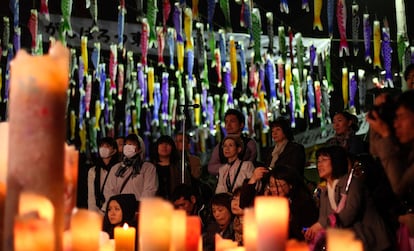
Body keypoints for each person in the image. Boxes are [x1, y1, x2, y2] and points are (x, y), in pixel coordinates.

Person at [304, 146, 391, 251]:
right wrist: (312, 230)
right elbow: (323, 219)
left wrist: (323, 225)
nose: (319, 165)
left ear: (336, 161)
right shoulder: (324, 192)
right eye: (318, 161)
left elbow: (347, 216)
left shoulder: (353, 184)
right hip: (352, 243)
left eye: (324, 160)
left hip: (372, 242)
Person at [367, 90, 414, 238]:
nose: (396, 124)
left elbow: (399, 186)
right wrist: (376, 115)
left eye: (401, 117)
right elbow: (376, 150)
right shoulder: (407, 149)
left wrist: (387, 135)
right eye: (394, 118)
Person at [240, 165, 318, 241]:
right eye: (272, 186)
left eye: (279, 186)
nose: (275, 190)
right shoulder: (269, 198)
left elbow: (306, 230)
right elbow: (245, 205)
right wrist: (253, 179)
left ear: (290, 185)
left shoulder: (303, 202)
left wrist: (290, 219)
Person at [103, 133, 158, 210]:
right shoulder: (116, 168)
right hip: (119, 211)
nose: (127, 147)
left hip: (138, 211)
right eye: (126, 144)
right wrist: (117, 207)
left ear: (139, 148)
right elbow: (109, 190)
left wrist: (138, 207)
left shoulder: (148, 168)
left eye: (131, 144)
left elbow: (150, 190)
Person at [208, 109, 257, 176]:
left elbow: (249, 165)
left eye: (232, 121)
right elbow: (211, 168)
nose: (228, 125)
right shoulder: (220, 146)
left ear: (241, 125)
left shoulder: (249, 144)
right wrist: (229, 168)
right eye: (226, 122)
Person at [151, 135, 192, 200]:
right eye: (161, 144)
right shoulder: (150, 168)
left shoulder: (179, 167)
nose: (164, 146)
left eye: (167, 144)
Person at [88, 137, 120, 213]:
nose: (103, 148)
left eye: (107, 146)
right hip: (98, 211)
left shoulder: (119, 169)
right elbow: (91, 196)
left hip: (115, 210)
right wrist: (93, 214)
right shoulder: (93, 170)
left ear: (114, 150)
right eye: (101, 146)